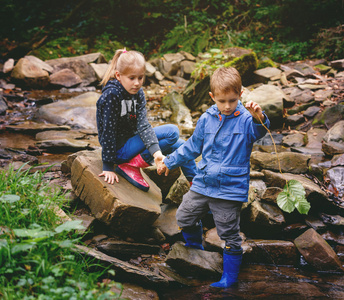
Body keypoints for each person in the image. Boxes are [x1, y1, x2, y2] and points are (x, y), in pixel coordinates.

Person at [157, 67, 270, 288]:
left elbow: (260, 132)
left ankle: (229, 278)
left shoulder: (247, 120)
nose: (227, 106)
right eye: (221, 101)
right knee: (184, 215)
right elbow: (191, 148)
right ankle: (198, 253)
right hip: (203, 182)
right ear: (212, 97)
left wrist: (260, 117)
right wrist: (168, 162)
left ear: (240, 94)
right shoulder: (206, 118)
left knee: (228, 232)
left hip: (229, 188)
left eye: (232, 100)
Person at [96, 48, 196, 192]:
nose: (137, 83)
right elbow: (107, 132)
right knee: (172, 131)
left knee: (182, 145)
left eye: (140, 78)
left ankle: (197, 186)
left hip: (133, 143)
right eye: (132, 78)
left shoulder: (138, 93)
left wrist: (157, 153)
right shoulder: (112, 95)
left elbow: (143, 125)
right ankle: (130, 165)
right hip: (119, 151)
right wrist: (108, 166)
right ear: (118, 75)